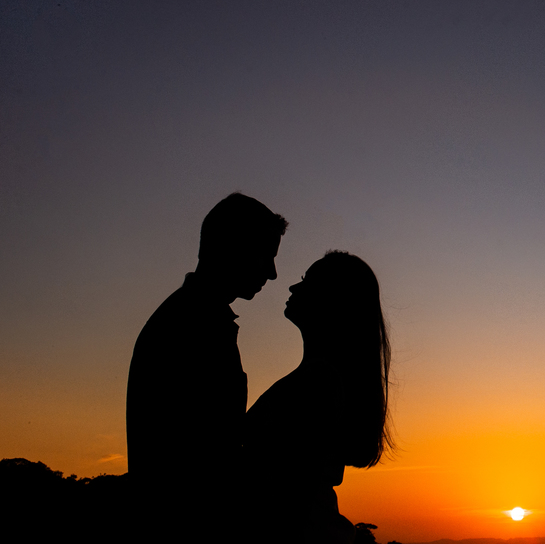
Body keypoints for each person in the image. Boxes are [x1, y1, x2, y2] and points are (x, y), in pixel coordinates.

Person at [126, 192, 288, 543]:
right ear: (233, 247)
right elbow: (204, 461)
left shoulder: (196, 317)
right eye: (266, 256)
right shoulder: (193, 325)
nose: (273, 274)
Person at [243, 250, 392, 544]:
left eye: (306, 282)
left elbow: (285, 489)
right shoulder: (321, 378)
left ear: (332, 300)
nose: (292, 287)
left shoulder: (318, 382)